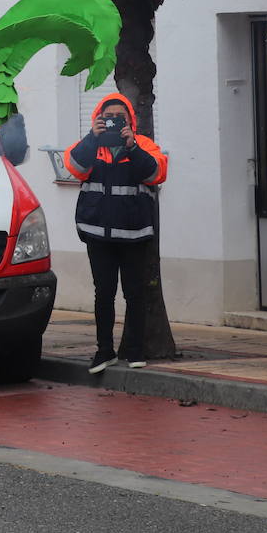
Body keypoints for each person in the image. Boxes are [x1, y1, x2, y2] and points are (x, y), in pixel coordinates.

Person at [64, 92, 169, 374]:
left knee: (134, 294)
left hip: (134, 234)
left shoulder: (144, 145)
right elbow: (74, 166)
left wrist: (132, 147)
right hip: (98, 234)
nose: (113, 121)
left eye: (119, 117)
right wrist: (92, 138)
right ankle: (104, 351)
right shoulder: (91, 144)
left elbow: (156, 173)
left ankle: (135, 350)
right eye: (108, 117)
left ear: (129, 120)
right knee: (104, 293)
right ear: (99, 118)